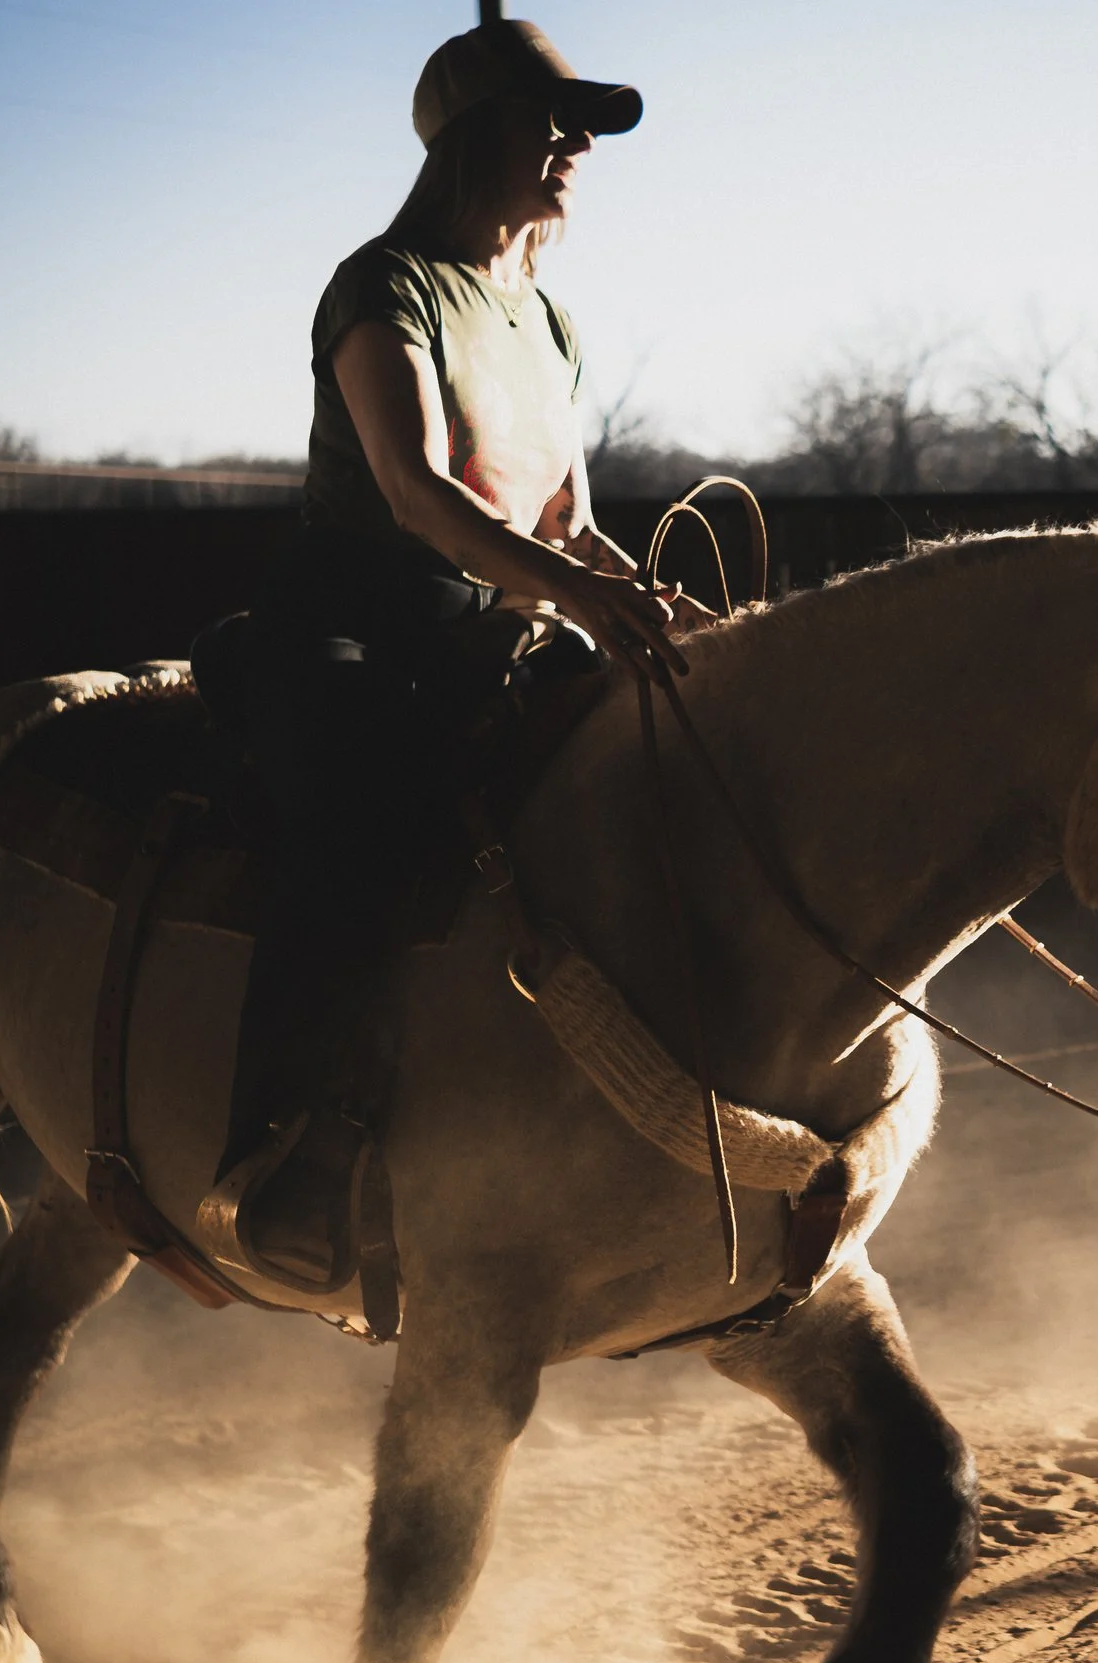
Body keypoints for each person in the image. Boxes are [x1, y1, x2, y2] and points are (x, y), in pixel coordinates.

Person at [201, 18, 681, 1289]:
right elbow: (415, 491)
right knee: (363, 815)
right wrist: (579, 593)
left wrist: (651, 606)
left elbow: (569, 522)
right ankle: (296, 1152)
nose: (577, 141)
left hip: (497, 630)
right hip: (360, 619)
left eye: (586, 124)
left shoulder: (550, 320)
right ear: (476, 136)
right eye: (554, 117)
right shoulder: (384, 284)